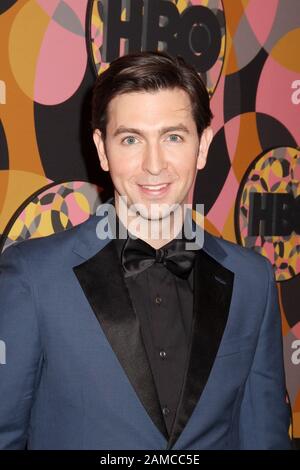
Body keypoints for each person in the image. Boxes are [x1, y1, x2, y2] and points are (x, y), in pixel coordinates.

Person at [0, 51, 291, 450]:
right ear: (102, 149)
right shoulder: (32, 277)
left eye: (173, 136)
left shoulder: (253, 280)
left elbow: (265, 436)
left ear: (203, 145)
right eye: (131, 139)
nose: (154, 165)